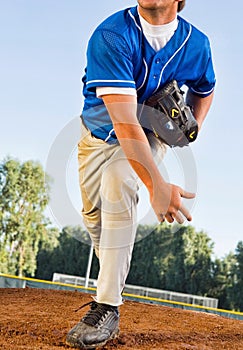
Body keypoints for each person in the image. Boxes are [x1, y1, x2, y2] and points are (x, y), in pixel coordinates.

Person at [66, 0, 216, 349]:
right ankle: (112, 273)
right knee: (96, 224)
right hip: (98, 138)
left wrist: (192, 126)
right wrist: (158, 187)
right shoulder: (112, 35)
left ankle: (106, 307)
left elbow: (205, 88)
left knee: (118, 183)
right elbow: (124, 122)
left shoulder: (197, 44)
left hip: (149, 137)